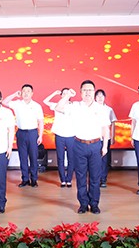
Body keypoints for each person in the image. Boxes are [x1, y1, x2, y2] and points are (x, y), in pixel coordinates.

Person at [55, 80, 110, 214]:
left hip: (96, 145)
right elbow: (58, 108)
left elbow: (105, 128)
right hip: (79, 144)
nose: (87, 93)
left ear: (94, 92)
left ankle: (94, 204)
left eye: (90, 90)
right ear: (80, 92)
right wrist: (68, 95)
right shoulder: (75, 106)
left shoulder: (101, 108)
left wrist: (105, 146)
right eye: (84, 90)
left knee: (95, 177)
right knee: (80, 176)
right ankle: (83, 204)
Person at [2, 84, 44, 187]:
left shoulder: (37, 106)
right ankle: (25, 179)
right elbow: (4, 102)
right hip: (21, 133)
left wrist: (40, 135)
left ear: (32, 93)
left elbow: (40, 121)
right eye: (24, 91)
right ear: (21, 93)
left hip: (32, 133)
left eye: (28, 91)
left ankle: (34, 179)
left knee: (33, 157)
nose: (26, 93)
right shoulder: (17, 103)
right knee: (23, 157)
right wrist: (14, 95)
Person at [44, 88, 76, 188]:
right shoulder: (56, 105)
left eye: (67, 93)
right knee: (60, 158)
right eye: (64, 93)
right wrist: (54, 93)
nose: (66, 95)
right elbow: (45, 101)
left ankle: (69, 179)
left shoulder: (74, 106)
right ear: (61, 95)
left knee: (71, 158)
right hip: (59, 135)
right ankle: (62, 180)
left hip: (71, 135)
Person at [95, 89, 117, 187]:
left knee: (104, 159)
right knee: (95, 159)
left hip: (105, 138)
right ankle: (95, 178)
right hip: (94, 137)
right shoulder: (91, 108)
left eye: (102, 96)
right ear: (95, 98)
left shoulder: (109, 109)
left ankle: (103, 179)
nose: (100, 98)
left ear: (104, 97)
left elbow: (113, 123)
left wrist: (112, 136)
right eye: (98, 96)